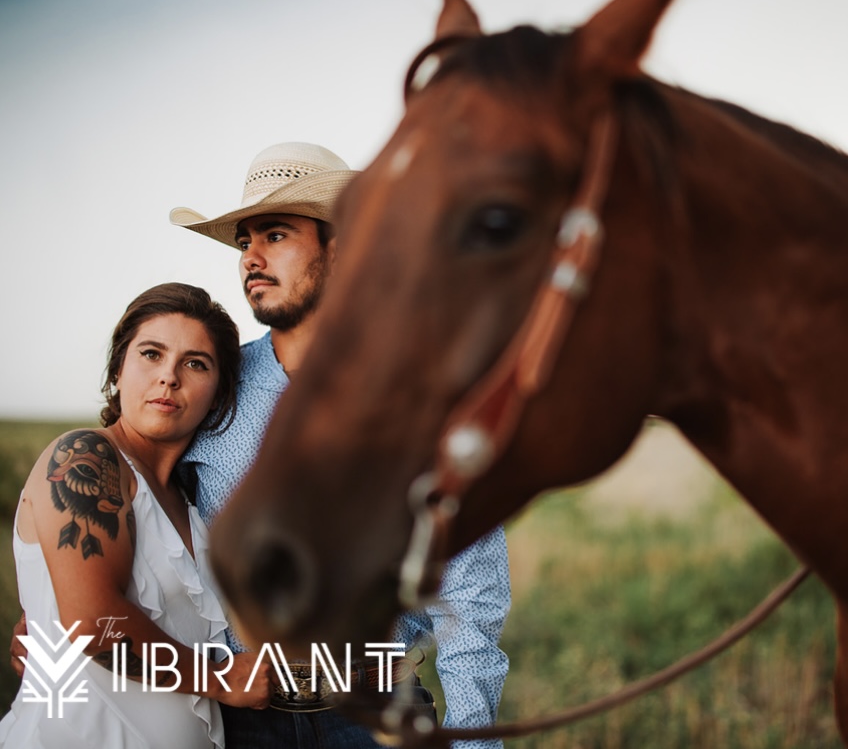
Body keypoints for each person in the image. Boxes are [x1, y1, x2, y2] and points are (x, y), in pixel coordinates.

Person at [169, 142, 511, 749]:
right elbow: (135, 499)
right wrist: (68, 606)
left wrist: (474, 743)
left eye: (275, 235)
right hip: (237, 723)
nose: (250, 257)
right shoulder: (210, 389)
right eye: (245, 241)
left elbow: (469, 600)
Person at [0, 283, 272, 749]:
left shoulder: (191, 499)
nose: (169, 377)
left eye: (195, 363)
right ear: (118, 370)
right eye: (151, 353)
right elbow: (91, 623)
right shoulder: (87, 456)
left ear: (219, 392)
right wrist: (222, 680)